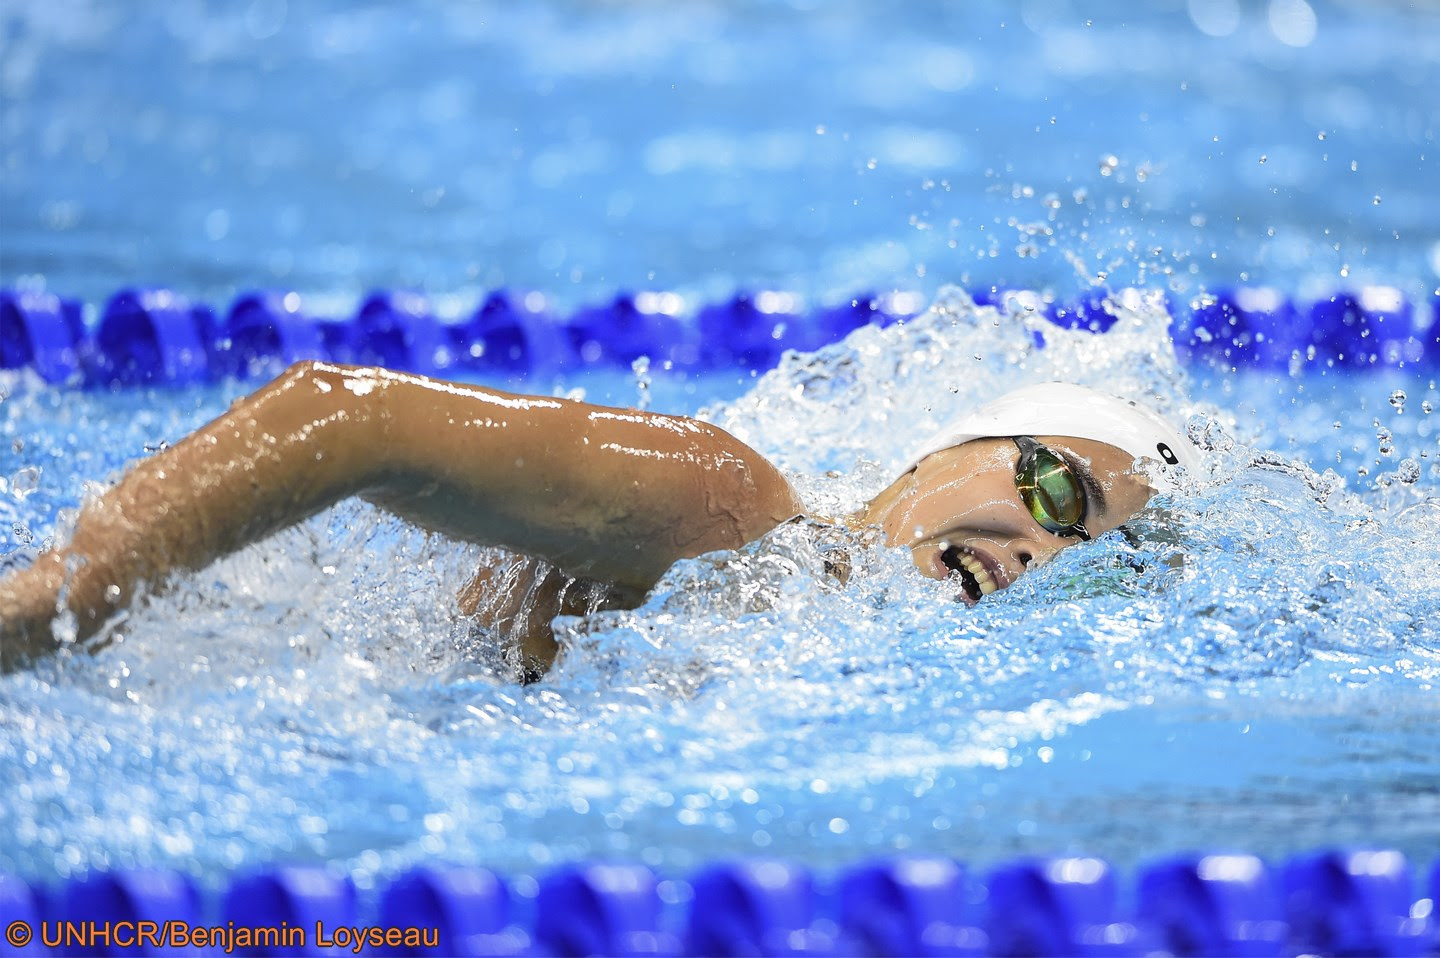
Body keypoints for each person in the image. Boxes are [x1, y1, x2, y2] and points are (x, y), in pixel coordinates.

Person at [0, 362, 1197, 675]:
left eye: (1085, 557)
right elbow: (345, 416)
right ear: (948, 451)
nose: (1044, 548)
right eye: (1052, 491)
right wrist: (57, 599)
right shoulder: (731, 503)